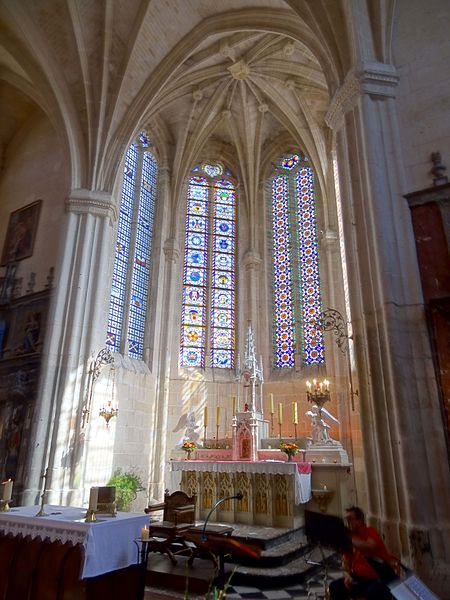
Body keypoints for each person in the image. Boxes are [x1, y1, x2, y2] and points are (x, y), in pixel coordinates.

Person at [329, 506, 396, 600]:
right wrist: (347, 576)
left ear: (359, 520)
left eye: (349, 519)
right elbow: (346, 565)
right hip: (359, 579)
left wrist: (347, 537)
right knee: (335, 586)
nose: (347, 522)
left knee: (373, 591)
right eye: (346, 519)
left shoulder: (370, 531)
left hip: (378, 579)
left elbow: (370, 546)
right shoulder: (351, 538)